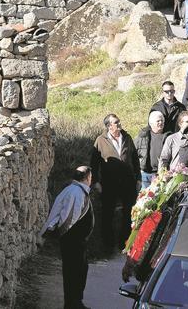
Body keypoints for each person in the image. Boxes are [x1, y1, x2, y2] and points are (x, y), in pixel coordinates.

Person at [41, 166, 95, 309]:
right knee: (73, 273)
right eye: (91, 177)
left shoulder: (75, 190)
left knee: (80, 270)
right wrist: (63, 236)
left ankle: (76, 302)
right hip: (73, 241)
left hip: (77, 241)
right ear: (87, 178)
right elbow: (68, 219)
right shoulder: (76, 192)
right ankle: (72, 304)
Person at [90, 114, 140, 250]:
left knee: (128, 213)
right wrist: (96, 182)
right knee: (108, 214)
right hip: (109, 184)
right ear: (108, 126)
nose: (119, 124)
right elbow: (94, 164)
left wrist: (138, 178)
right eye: (115, 122)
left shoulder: (127, 137)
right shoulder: (100, 140)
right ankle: (108, 246)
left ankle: (125, 244)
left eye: (119, 121)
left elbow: (135, 159)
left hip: (128, 182)